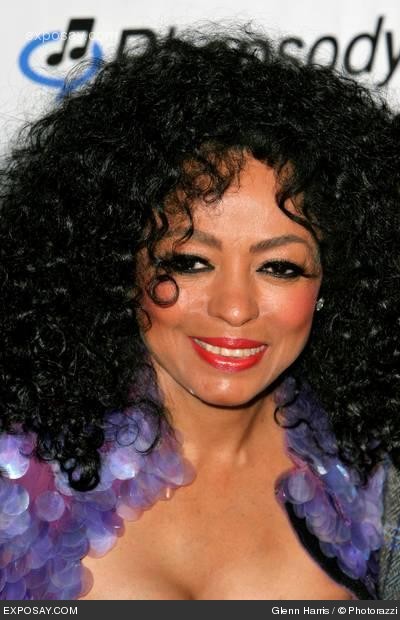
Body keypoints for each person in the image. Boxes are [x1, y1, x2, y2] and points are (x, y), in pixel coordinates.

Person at [0, 26, 399, 601]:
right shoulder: (14, 478)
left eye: (280, 267)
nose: (234, 307)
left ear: (334, 282)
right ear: (116, 264)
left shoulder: (380, 491)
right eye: (189, 262)